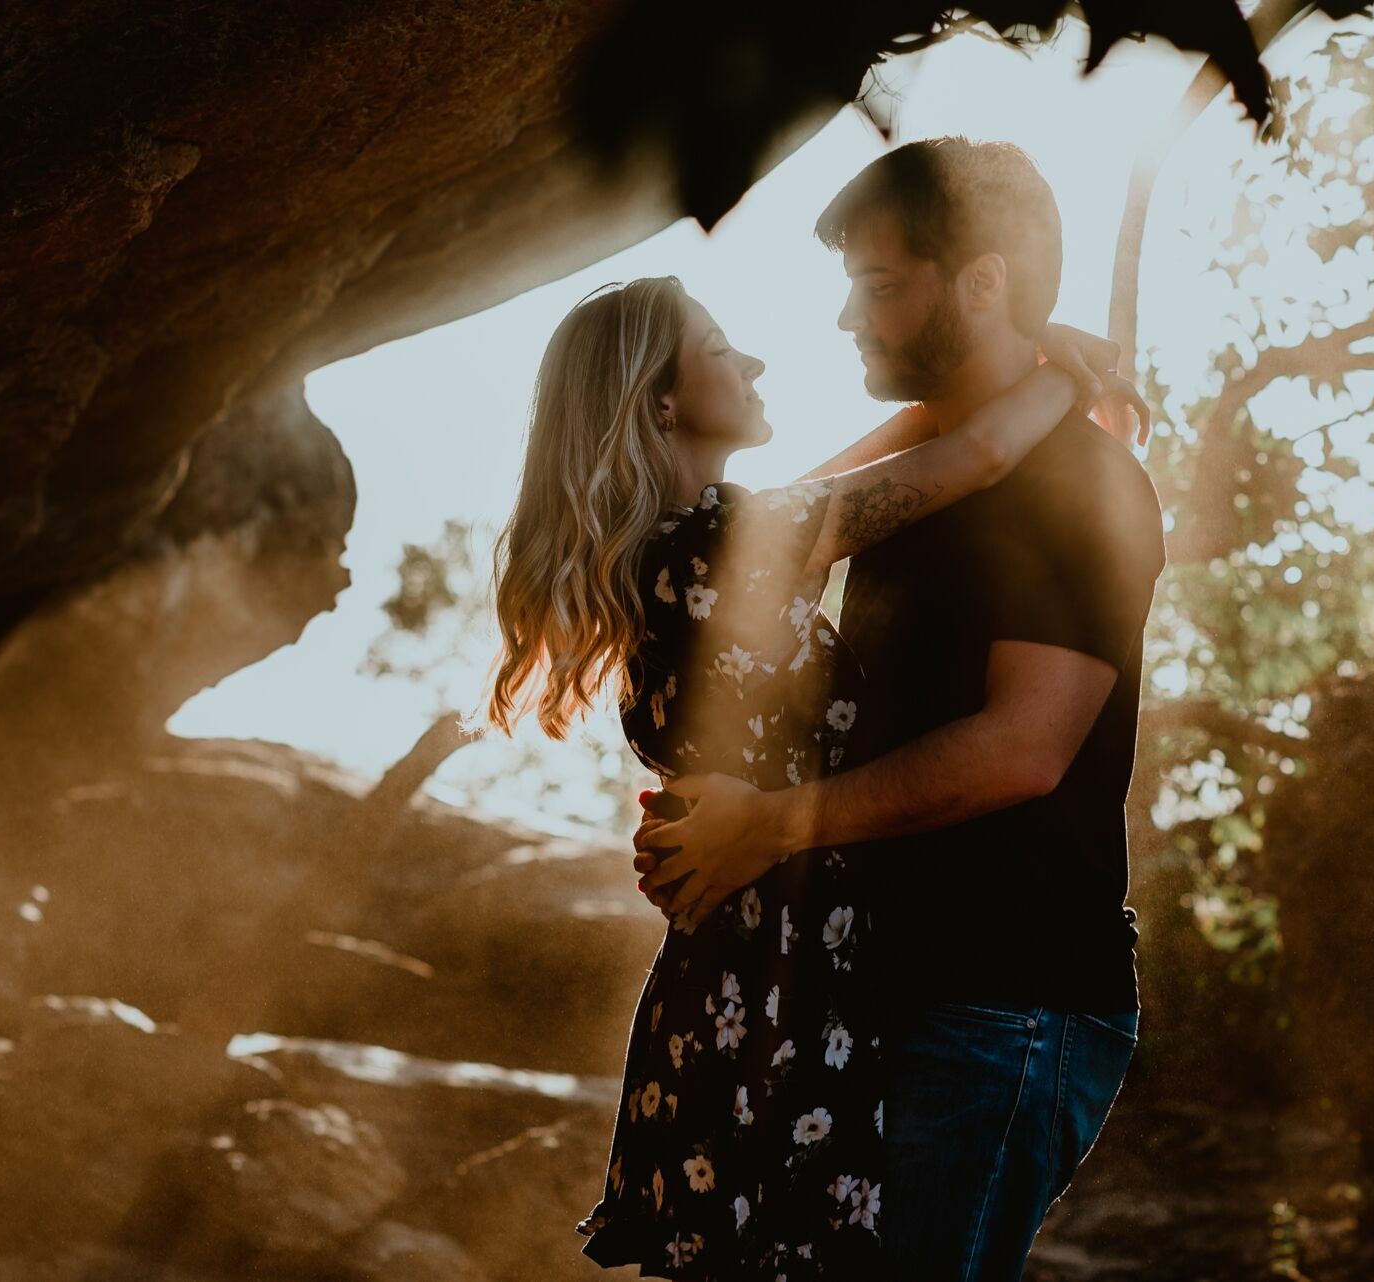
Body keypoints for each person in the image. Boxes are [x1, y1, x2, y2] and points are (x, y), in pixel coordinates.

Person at [477, 272, 1142, 1278]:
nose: (751, 361)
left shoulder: (687, 554)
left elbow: (881, 470)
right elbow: (978, 455)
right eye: (718, 347)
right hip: (781, 978)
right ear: (664, 400)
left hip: (738, 972)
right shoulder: (729, 546)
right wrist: (1057, 374)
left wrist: (997, 371)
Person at [634, 137, 1168, 1280]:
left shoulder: (1082, 484)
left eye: (879, 285)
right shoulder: (919, 491)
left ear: (981, 282)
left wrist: (766, 826)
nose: (845, 320)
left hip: (1005, 1007)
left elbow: (1022, 750)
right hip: (885, 997)